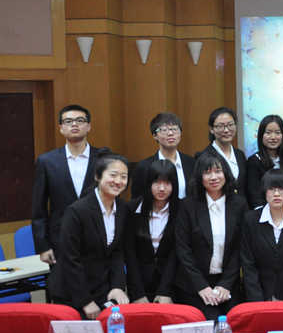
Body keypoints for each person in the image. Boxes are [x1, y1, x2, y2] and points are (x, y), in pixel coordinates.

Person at [48, 152, 129, 319]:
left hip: (102, 289)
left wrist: (117, 286)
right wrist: (85, 300)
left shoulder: (122, 208)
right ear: (97, 177)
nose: (118, 181)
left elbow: (117, 252)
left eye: (123, 177)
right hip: (73, 292)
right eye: (113, 175)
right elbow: (70, 259)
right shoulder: (77, 211)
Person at [174, 152, 247, 319]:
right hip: (194, 285)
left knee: (234, 322)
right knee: (208, 322)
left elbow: (241, 248)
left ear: (226, 174)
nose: (213, 177)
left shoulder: (239, 204)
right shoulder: (188, 205)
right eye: (207, 173)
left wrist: (226, 284)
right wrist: (201, 286)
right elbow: (183, 250)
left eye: (218, 171)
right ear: (200, 177)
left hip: (228, 283)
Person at [32, 104, 102, 266]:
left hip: (98, 239)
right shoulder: (47, 161)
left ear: (89, 126)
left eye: (80, 120)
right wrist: (43, 246)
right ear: (61, 128)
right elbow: (38, 207)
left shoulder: (103, 158)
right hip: (60, 241)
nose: (74, 124)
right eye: (68, 121)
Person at [241, 169, 283, 302]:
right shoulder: (250, 220)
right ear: (264, 192)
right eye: (271, 189)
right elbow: (248, 264)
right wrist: (258, 301)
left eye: (281, 188)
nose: (276, 194)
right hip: (258, 294)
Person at [125, 159, 180, 304]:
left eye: (167, 183)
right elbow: (130, 253)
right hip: (139, 286)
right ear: (148, 183)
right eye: (156, 182)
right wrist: (138, 293)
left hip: (171, 286)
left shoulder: (181, 210)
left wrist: (165, 291)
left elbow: (176, 254)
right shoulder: (132, 209)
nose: (161, 188)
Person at [131, 112, 194, 200]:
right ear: (155, 135)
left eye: (175, 129)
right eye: (164, 130)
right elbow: (137, 201)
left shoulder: (192, 163)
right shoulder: (144, 167)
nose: (170, 133)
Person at [246, 115, 283, 209]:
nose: (273, 137)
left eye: (277, 133)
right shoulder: (254, 161)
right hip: (263, 212)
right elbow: (254, 194)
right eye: (268, 133)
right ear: (261, 135)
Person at [196, 106, 247, 192]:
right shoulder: (203, 156)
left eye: (230, 125)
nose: (226, 130)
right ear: (211, 129)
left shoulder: (240, 155)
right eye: (220, 126)